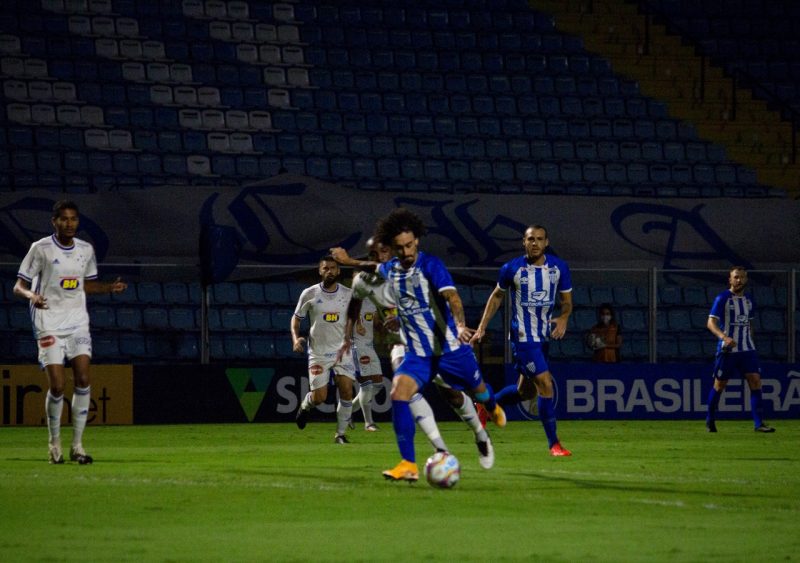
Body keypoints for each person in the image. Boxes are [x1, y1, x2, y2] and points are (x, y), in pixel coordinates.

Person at [334, 238, 497, 472]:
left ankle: (481, 435)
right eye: (373, 253)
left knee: (452, 395)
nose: (379, 257)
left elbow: (441, 300)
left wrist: (456, 326)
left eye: (384, 251)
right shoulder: (363, 281)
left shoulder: (410, 272)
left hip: (432, 340)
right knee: (405, 392)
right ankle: (440, 449)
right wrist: (346, 337)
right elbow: (354, 306)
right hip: (402, 344)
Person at [370, 208, 505, 482]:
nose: (406, 252)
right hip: (418, 352)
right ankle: (408, 463)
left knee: (477, 392)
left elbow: (453, 297)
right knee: (399, 393)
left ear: (417, 240)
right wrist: (349, 261)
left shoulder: (432, 265)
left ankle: (486, 420)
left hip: (449, 349)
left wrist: (460, 325)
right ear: (392, 249)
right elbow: (372, 271)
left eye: (409, 245)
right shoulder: (387, 270)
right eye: (400, 248)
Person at [13, 200, 128, 464]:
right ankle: (55, 443)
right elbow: (18, 286)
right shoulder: (40, 249)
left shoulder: (85, 250)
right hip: (49, 321)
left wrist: (110, 288)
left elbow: (85, 286)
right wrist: (32, 295)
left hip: (77, 322)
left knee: (84, 379)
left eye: (73, 219)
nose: (69, 223)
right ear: (54, 221)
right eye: (63, 219)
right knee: (57, 384)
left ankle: (78, 446)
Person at [471, 224, 573, 457]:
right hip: (523, 338)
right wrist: (482, 327)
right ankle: (554, 444)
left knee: (525, 392)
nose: (534, 243)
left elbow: (567, 302)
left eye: (539, 239)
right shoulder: (511, 269)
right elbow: (496, 297)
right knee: (545, 383)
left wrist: (564, 317)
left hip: (543, 337)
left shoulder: (559, 268)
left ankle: (486, 406)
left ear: (546, 242)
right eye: (530, 239)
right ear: (523, 242)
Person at [291, 255, 356, 444]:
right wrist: (296, 339)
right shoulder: (309, 294)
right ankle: (306, 405)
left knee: (346, 391)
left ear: (338, 271)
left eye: (333, 268)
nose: (330, 271)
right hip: (318, 352)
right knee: (320, 397)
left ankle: (340, 434)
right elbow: (296, 319)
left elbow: (351, 318)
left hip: (342, 352)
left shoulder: (347, 294)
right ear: (320, 271)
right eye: (326, 268)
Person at [705, 266, 775, 433]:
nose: (739, 280)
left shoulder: (750, 300)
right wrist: (724, 338)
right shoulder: (722, 298)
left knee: (755, 381)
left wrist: (750, 341)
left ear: (746, 279)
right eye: (736, 277)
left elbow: (749, 324)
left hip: (747, 350)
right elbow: (710, 323)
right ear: (730, 279)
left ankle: (759, 424)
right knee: (719, 385)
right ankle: (710, 418)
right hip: (728, 351)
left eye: (742, 277)